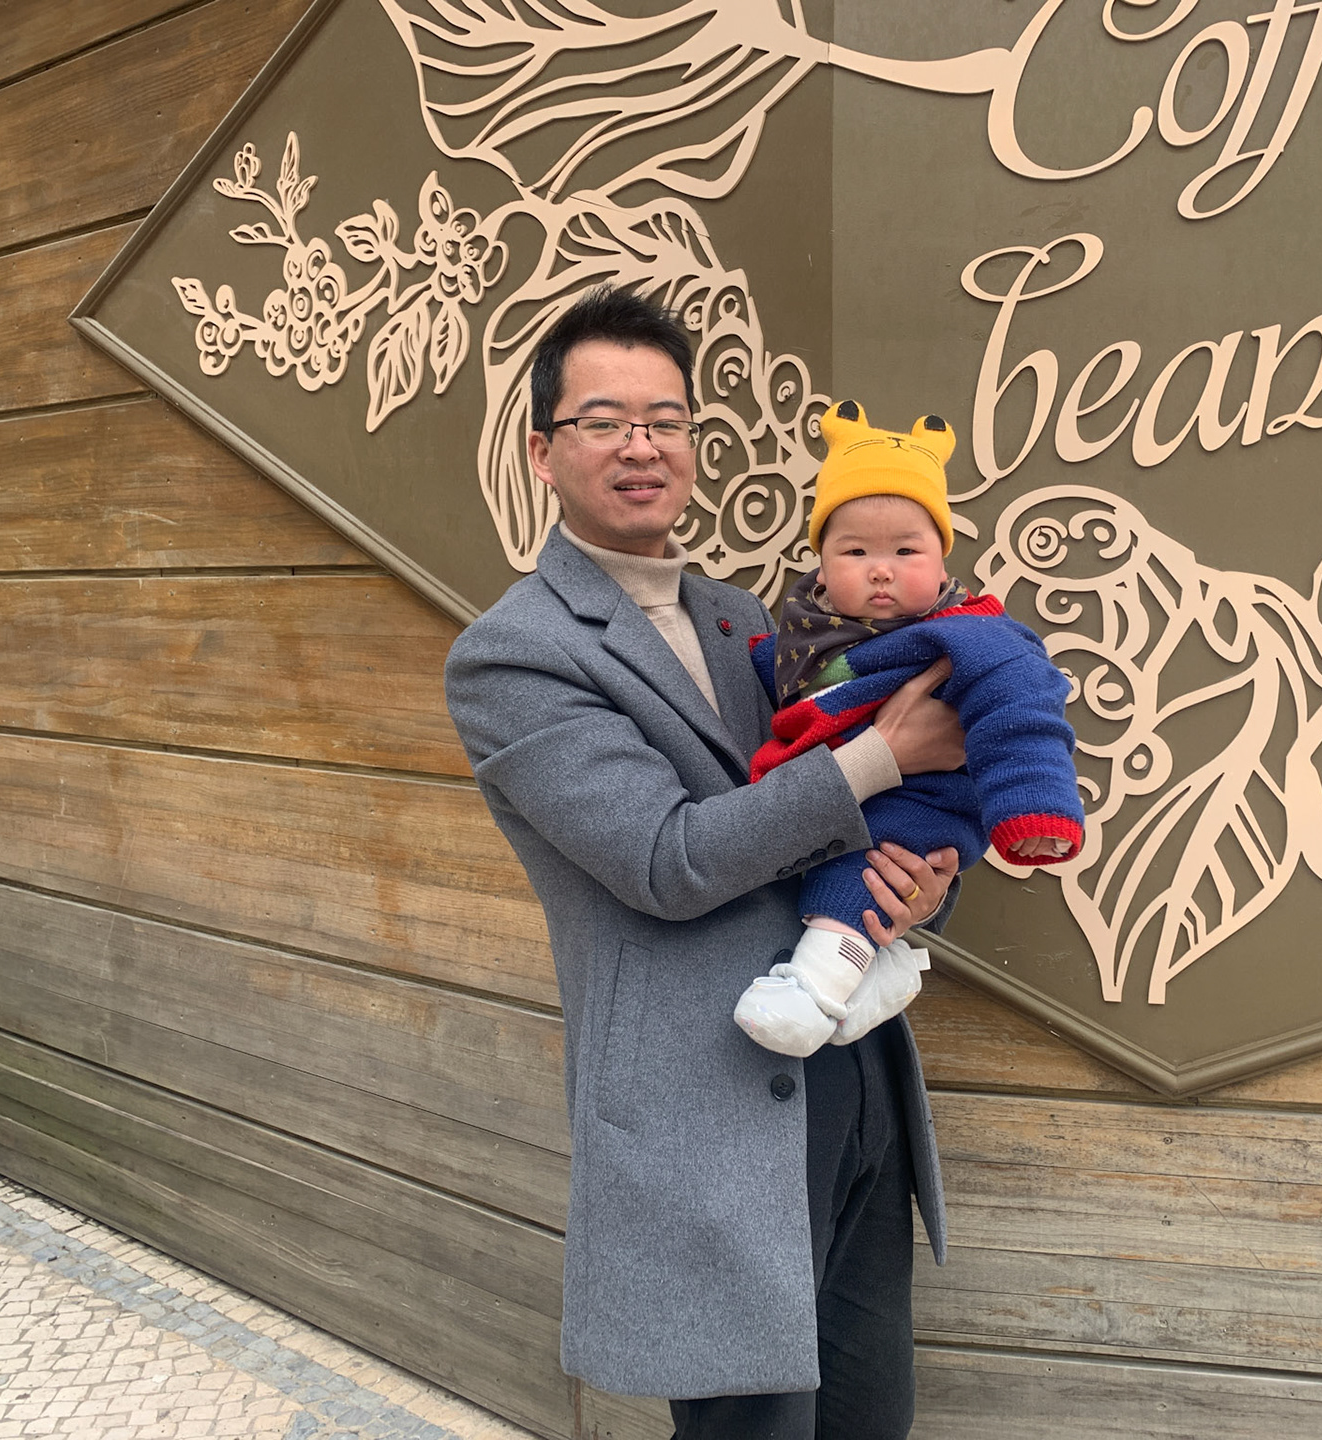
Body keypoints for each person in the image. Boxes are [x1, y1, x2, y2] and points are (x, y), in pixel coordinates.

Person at [444, 285, 967, 1439]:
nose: (642, 446)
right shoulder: (513, 655)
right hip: (708, 1110)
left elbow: (864, 809)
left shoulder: (749, 621)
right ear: (541, 451)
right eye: (603, 420)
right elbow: (664, 858)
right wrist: (881, 756)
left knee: (871, 1421)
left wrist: (923, 883)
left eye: (666, 420)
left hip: (858, 1078)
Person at [734, 402, 1084, 1057]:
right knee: (849, 866)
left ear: (942, 558)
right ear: (820, 564)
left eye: (906, 550)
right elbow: (787, 683)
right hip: (850, 794)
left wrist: (1034, 805)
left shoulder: (971, 634)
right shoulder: (810, 637)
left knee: (856, 875)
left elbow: (1022, 712)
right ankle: (881, 969)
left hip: (923, 805)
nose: (881, 569)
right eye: (855, 550)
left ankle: (812, 994)